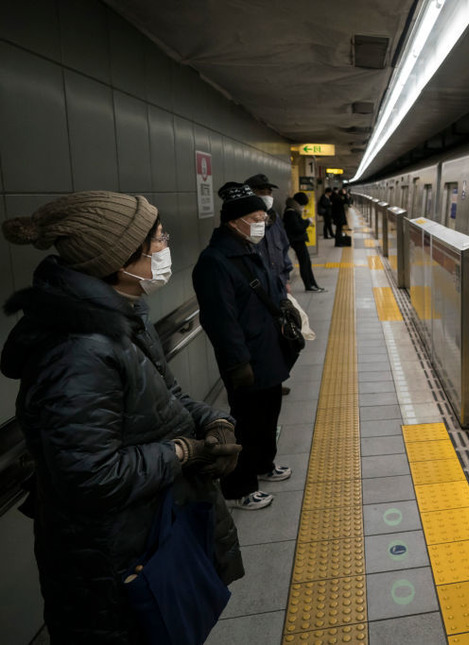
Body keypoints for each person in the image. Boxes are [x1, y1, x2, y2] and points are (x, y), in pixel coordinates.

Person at [1, 191, 244, 643]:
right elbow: (89, 475)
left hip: (144, 537)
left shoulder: (121, 319)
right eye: (157, 238)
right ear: (118, 258)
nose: (165, 246)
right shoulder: (79, 350)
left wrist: (214, 421)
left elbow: (166, 397)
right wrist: (182, 451)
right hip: (111, 563)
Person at [193, 182, 294, 510]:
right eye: (255, 217)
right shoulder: (215, 262)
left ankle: (264, 464)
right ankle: (239, 488)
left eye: (263, 217)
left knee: (268, 414)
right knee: (247, 422)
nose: (262, 223)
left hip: (266, 349)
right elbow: (221, 320)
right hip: (246, 357)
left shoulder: (249, 250)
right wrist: (238, 363)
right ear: (234, 221)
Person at [244, 173, 294, 295]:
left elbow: (283, 248)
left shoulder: (274, 217)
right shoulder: (243, 222)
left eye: (269, 193)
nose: (267, 196)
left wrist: (286, 280)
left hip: (278, 285)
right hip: (256, 291)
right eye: (262, 192)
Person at [283, 192, 324, 292]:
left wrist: (305, 221)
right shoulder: (290, 212)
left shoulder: (292, 210)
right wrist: (307, 222)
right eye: (302, 204)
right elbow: (298, 228)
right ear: (299, 202)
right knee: (304, 263)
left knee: (307, 262)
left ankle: (312, 284)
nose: (303, 207)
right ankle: (309, 285)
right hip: (297, 240)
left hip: (298, 240)